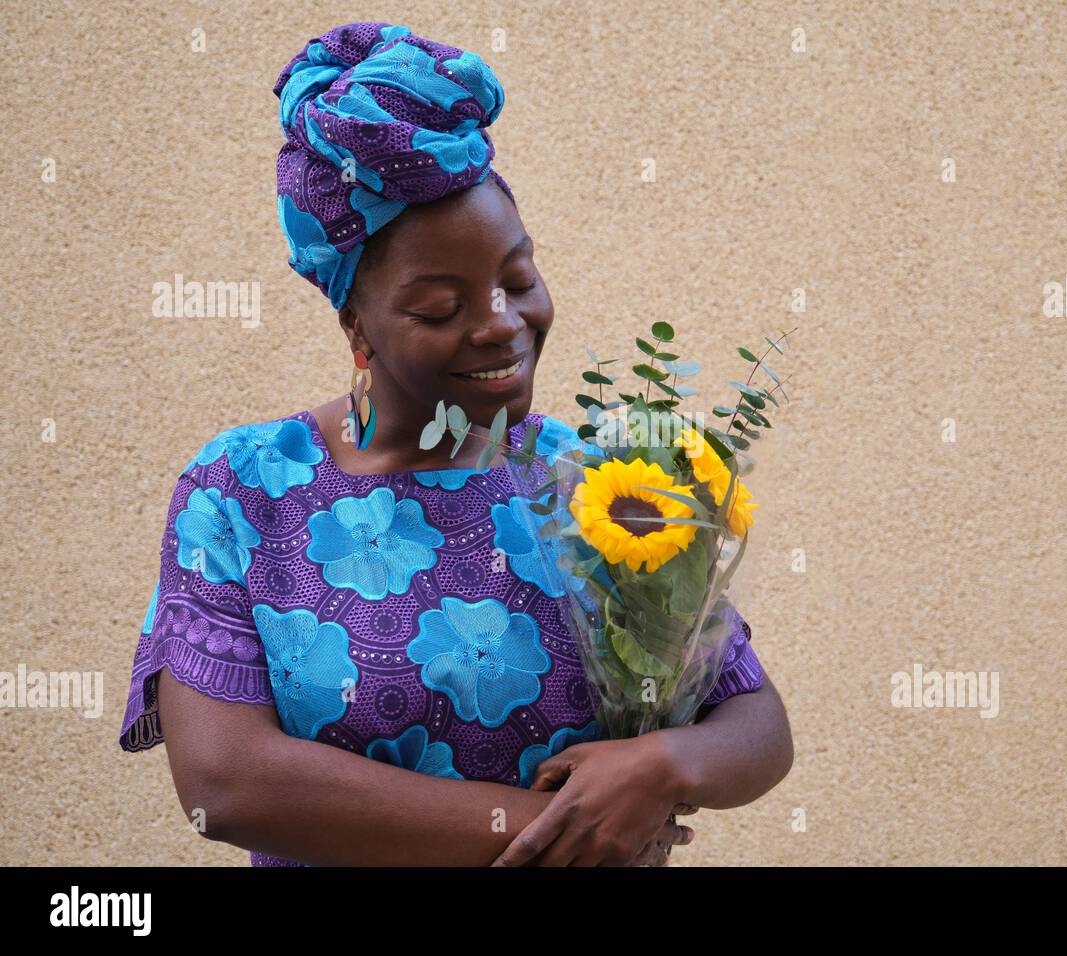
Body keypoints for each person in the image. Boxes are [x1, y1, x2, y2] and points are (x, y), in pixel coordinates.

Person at [118, 21, 793, 866]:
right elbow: (225, 785)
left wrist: (658, 765)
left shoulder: (604, 481)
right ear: (355, 325)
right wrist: (543, 828)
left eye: (518, 279)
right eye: (442, 308)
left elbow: (755, 720)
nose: (503, 326)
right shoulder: (244, 493)